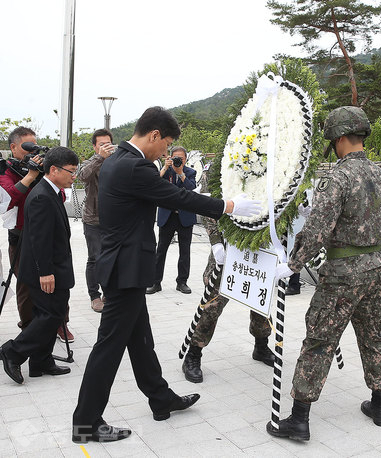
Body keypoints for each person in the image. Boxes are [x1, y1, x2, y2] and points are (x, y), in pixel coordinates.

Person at [72, 106, 262, 444]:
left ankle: (161, 399)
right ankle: (85, 422)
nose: (166, 153)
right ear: (155, 135)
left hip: (121, 266)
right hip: (126, 269)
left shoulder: (116, 160)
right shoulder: (135, 166)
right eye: (167, 143)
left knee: (140, 340)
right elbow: (179, 197)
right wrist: (229, 206)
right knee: (108, 347)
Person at [266, 106, 381, 442]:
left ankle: (299, 419)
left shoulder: (337, 178)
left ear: (339, 138)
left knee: (319, 340)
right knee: (373, 337)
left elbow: (316, 232)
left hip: (343, 273)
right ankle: (380, 405)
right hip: (377, 269)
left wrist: (290, 266)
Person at [0, 147, 79, 384]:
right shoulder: (43, 195)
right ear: (54, 170)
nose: (74, 176)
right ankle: (13, 352)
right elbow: (39, 240)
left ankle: (40, 361)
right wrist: (46, 272)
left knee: (48, 315)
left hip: (52, 267)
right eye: (71, 171)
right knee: (49, 316)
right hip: (45, 271)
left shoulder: (50, 191)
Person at [181, 216, 275, 383]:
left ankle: (261, 346)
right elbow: (208, 206)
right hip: (228, 247)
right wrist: (216, 241)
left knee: (260, 301)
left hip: (259, 248)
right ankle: (193, 354)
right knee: (212, 306)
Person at [0, 127, 41, 331]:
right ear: (14, 147)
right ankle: (28, 326)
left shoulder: (40, 168)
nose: (32, 152)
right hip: (20, 236)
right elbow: (8, 199)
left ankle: (59, 323)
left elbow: (59, 196)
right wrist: (30, 176)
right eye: (28, 147)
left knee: (56, 280)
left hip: (44, 234)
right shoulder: (4, 169)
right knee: (26, 284)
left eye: (35, 146)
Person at [146, 146, 197, 295]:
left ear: (185, 159)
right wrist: (165, 167)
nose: (177, 161)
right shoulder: (165, 171)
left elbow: (191, 189)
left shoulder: (190, 172)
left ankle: (182, 282)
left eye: (180, 158)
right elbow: (154, 184)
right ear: (169, 158)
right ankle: (155, 282)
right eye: (175, 158)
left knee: (185, 252)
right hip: (167, 216)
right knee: (160, 251)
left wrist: (181, 174)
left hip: (185, 217)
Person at [77, 129, 115, 313]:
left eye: (108, 143)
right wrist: (99, 157)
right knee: (94, 258)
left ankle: (109, 292)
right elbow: (82, 175)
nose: (105, 147)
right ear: (94, 146)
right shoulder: (90, 162)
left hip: (113, 220)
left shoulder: (116, 162)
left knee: (112, 257)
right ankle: (94, 295)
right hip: (92, 218)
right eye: (101, 144)